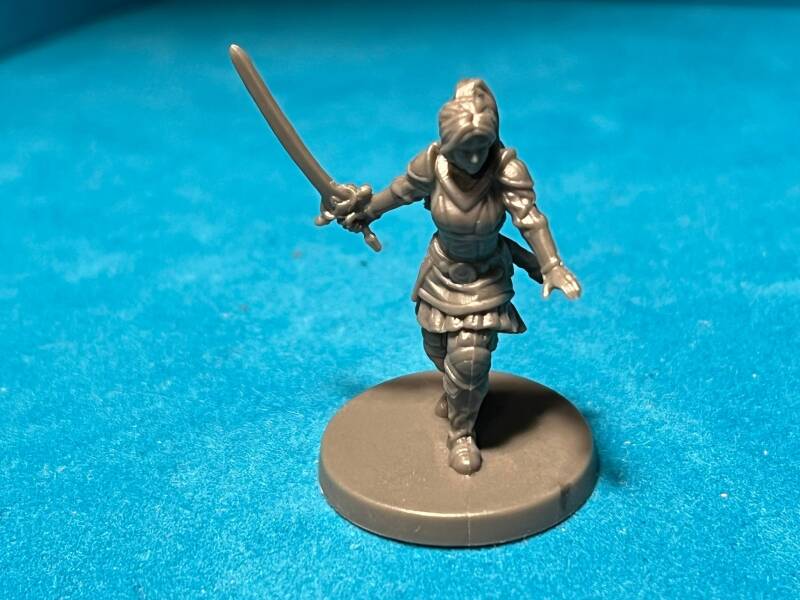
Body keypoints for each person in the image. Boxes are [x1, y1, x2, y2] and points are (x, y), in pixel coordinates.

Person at [329, 79, 581, 475]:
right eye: (465, 149)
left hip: (486, 276)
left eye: (482, 147)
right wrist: (365, 212)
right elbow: (399, 192)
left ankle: (462, 433)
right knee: (438, 349)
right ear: (447, 143)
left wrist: (550, 264)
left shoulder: (506, 168)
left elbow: (530, 218)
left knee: (470, 358)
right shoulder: (432, 164)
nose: (475, 158)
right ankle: (460, 391)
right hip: (441, 272)